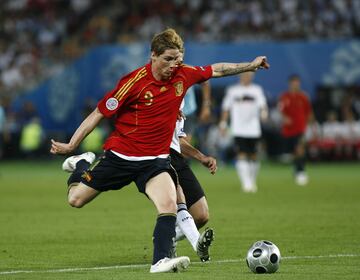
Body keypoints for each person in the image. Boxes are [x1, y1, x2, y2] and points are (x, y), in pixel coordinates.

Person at [50, 28, 270, 273]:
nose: (173, 65)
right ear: (153, 55)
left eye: (178, 59)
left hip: (155, 161)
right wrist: (71, 145)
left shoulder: (182, 75)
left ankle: (160, 260)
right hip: (121, 157)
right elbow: (99, 113)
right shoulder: (132, 82)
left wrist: (249, 66)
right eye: (168, 59)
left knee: (169, 205)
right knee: (76, 199)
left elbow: (216, 69)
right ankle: (81, 163)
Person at [170, 100, 217, 262]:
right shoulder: (154, 91)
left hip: (176, 158)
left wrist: (201, 157)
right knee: (176, 200)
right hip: (156, 157)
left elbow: (179, 140)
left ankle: (169, 238)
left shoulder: (181, 101)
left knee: (202, 215)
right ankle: (197, 242)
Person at [219, 72, 268, 192]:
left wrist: (264, 113)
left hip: (254, 129)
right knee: (241, 154)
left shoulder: (257, 90)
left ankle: (252, 181)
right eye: (245, 75)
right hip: (238, 128)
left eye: (249, 75)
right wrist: (223, 124)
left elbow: (263, 106)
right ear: (240, 76)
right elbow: (226, 108)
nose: (247, 77)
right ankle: (246, 183)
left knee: (254, 156)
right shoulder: (233, 91)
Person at [278, 74, 313, 186]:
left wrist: (312, 126)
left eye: (297, 83)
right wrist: (284, 118)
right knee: (294, 153)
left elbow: (309, 113)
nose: (295, 85)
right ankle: (296, 169)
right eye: (294, 83)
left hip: (301, 128)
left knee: (300, 149)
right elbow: (280, 111)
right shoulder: (284, 97)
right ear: (290, 84)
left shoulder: (304, 97)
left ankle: (301, 172)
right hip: (288, 130)